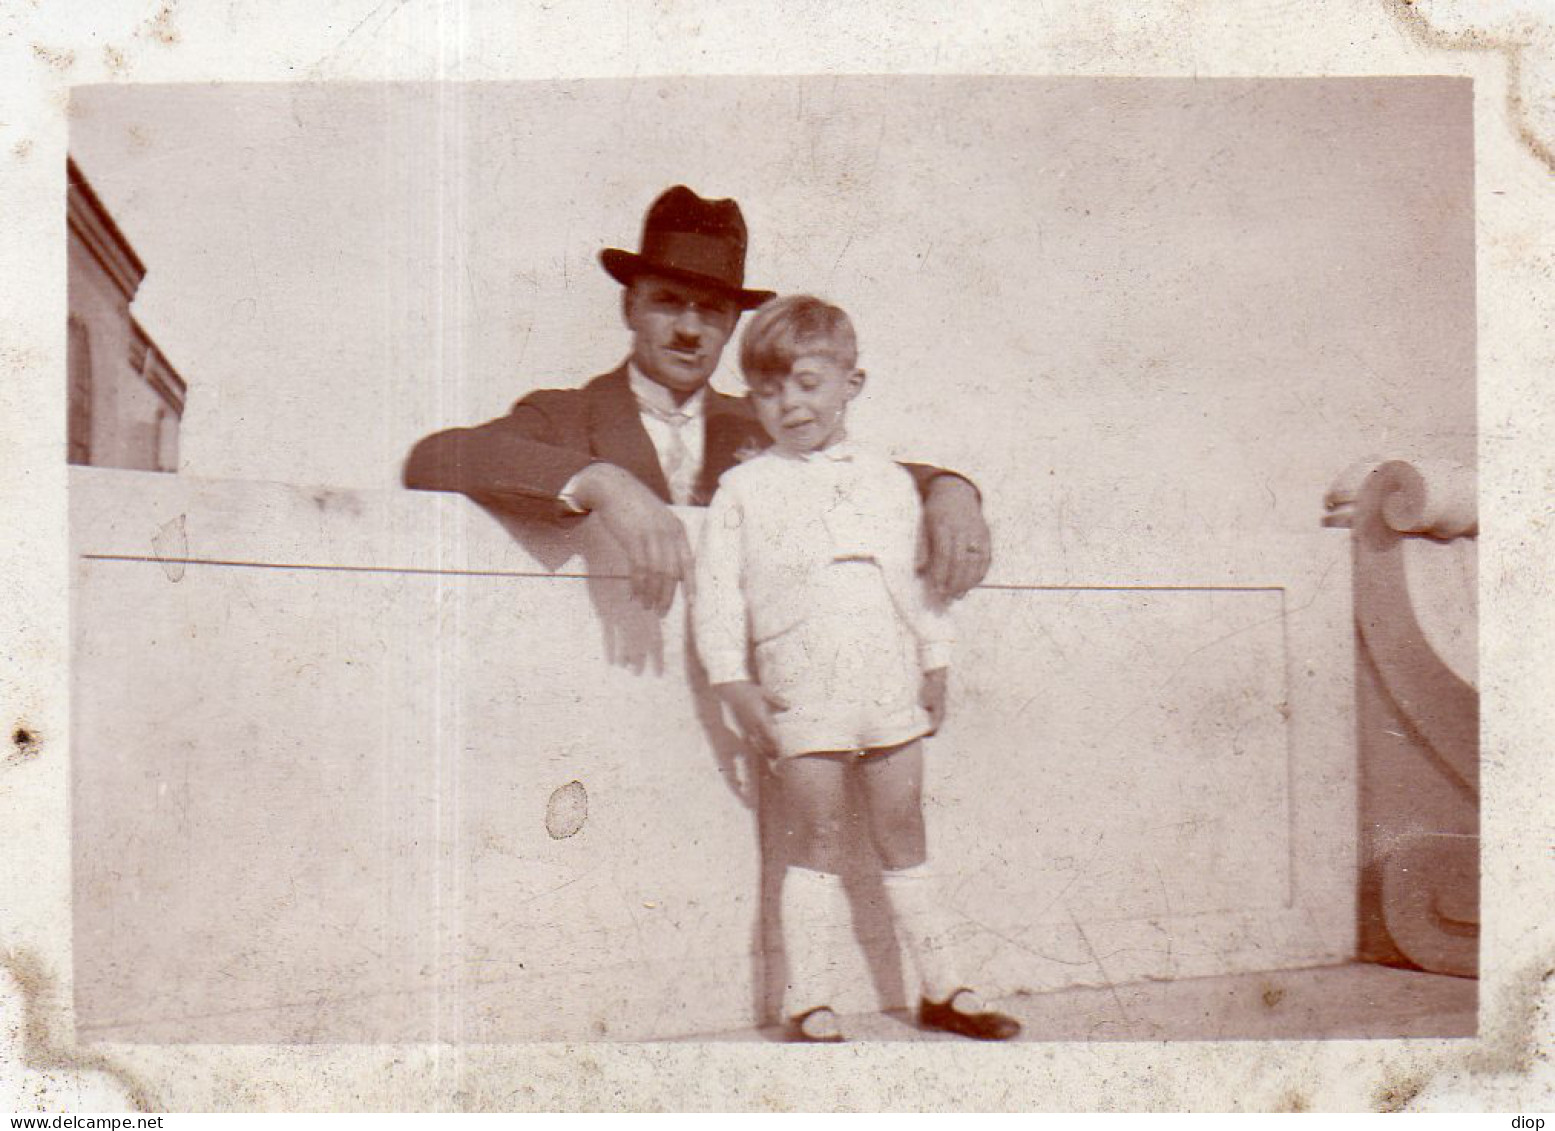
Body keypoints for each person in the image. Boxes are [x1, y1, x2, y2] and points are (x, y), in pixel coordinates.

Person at [402, 185, 992, 612]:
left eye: (711, 310)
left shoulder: (765, 429)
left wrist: (950, 491)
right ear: (629, 307)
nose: (689, 329)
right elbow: (434, 457)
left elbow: (872, 472)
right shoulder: (569, 415)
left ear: (734, 324)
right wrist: (604, 483)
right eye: (667, 301)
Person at [692, 295, 1021, 1043]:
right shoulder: (744, 488)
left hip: (886, 682)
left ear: (852, 383)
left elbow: (920, 584)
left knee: (903, 831)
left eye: (807, 382)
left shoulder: (886, 479)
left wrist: (934, 663)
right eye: (769, 390)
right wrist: (731, 680)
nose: (789, 404)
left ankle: (945, 987)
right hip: (800, 686)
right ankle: (807, 999)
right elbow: (716, 595)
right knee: (814, 839)